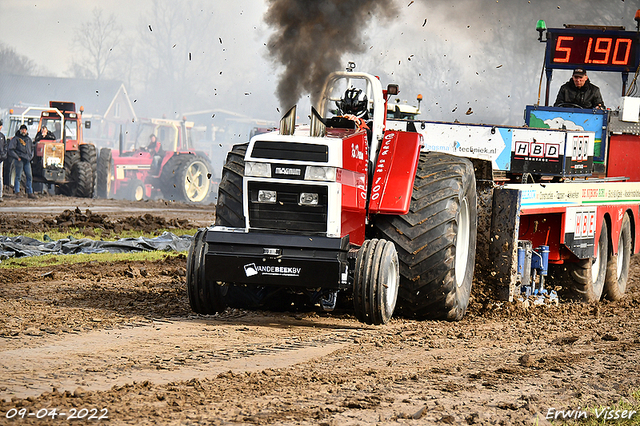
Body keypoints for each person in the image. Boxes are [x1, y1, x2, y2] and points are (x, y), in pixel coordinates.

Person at [8, 124, 36, 199]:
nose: (24, 131)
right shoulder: (16, 139)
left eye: (25, 130)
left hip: (27, 160)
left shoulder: (28, 140)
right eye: (22, 129)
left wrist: (30, 157)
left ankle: (30, 192)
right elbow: (11, 149)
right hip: (19, 160)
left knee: (29, 176)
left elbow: (32, 149)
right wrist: (17, 157)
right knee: (18, 176)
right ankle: (17, 192)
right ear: (20, 130)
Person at [0, 119, 6, 203]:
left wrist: (3, 155)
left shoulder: (2, 136)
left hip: (0, 160)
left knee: (0, 178)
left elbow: (5, 147)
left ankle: (0, 195)